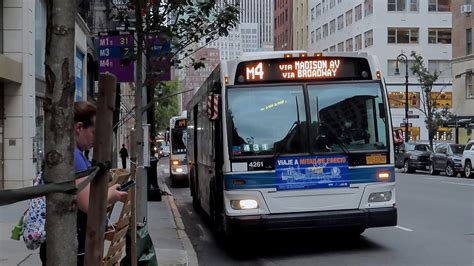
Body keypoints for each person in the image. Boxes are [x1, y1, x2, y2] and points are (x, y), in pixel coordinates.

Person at [40, 101, 127, 266]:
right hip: (74, 243)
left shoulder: (72, 154)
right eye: (93, 132)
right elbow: (87, 202)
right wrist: (112, 195)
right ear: (79, 128)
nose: (95, 139)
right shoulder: (74, 156)